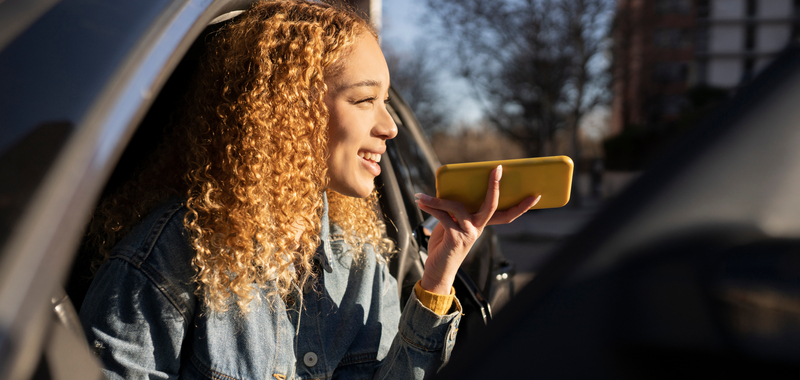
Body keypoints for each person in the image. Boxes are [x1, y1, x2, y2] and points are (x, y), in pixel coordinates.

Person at [79, 1, 539, 379]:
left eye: (386, 101)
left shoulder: (360, 259)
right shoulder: (168, 259)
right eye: (364, 100)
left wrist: (438, 277)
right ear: (287, 111)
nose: (391, 125)